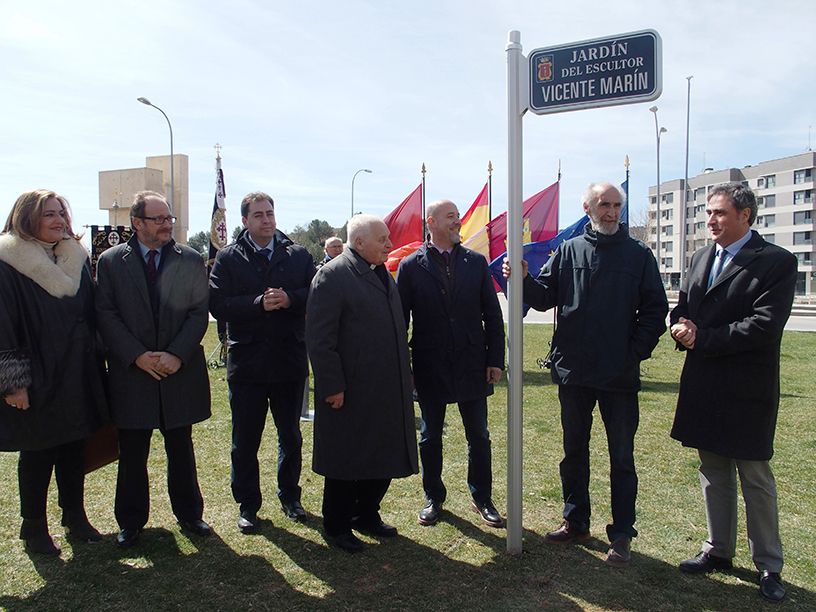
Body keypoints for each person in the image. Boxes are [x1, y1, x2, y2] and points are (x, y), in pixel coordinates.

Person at [502, 181, 667, 566]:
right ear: (588, 208)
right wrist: (522, 278)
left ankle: (622, 533)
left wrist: (632, 354)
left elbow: (654, 312)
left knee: (621, 457)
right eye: (604, 204)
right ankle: (575, 520)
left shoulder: (639, 255)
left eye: (617, 205)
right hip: (574, 372)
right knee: (573, 452)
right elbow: (544, 297)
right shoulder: (569, 250)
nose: (612, 212)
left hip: (618, 377)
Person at [670, 182, 797, 603]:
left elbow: (764, 325)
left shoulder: (777, 262)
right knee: (713, 471)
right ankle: (718, 549)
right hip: (704, 384)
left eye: (720, 213)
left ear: (745, 215)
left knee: (755, 477)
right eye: (708, 212)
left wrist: (702, 337)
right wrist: (679, 323)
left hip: (747, 388)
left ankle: (769, 565)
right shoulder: (700, 257)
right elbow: (684, 305)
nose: (711, 220)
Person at [96, 190, 212, 547]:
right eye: (158, 219)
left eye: (169, 218)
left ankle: (190, 514)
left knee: (181, 448)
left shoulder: (190, 259)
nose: (166, 225)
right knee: (132, 452)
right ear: (137, 223)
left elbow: (198, 312)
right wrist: (137, 355)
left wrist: (176, 354)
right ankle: (131, 522)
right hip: (134, 374)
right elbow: (105, 314)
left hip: (178, 372)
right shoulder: (111, 261)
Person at [0, 190, 107, 555]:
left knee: (74, 446)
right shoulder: (8, 261)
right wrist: (13, 383)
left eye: (62, 213)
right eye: (49, 214)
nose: (59, 220)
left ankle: (74, 517)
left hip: (76, 371)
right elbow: (3, 326)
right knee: (38, 451)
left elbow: (91, 315)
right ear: (27, 217)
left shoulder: (74, 258)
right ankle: (33, 527)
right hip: (36, 375)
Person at [306, 214, 418, 553]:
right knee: (345, 458)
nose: (389, 244)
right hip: (350, 389)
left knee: (382, 453)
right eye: (382, 239)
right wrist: (332, 386)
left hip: (386, 385)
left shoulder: (381, 272)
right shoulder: (333, 275)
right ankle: (337, 525)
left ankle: (366, 513)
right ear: (359, 243)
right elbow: (320, 340)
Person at [209, 192, 315, 533]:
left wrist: (290, 299)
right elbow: (217, 304)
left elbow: (316, 294)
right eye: (258, 215)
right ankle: (248, 504)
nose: (266, 220)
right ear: (245, 221)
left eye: (270, 213)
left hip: (288, 360)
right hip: (248, 364)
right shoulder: (229, 258)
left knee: (291, 436)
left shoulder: (298, 255)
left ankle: (290, 496)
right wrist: (257, 303)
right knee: (245, 441)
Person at [397, 199, 505, 528]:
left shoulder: (476, 262)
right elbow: (400, 322)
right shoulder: (411, 266)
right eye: (450, 217)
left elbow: (492, 315)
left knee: (479, 436)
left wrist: (495, 359)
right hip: (430, 365)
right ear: (431, 222)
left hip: (472, 363)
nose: (457, 221)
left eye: (457, 216)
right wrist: (406, 369)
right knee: (430, 436)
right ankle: (434, 497)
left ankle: (482, 497)